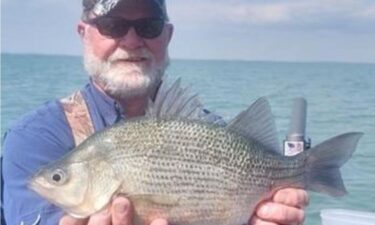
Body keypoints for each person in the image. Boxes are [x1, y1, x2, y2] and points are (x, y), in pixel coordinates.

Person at [1, 0, 308, 225]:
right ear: (84, 33)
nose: (132, 41)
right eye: (113, 25)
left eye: (148, 26)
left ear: (168, 36)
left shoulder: (210, 129)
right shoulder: (34, 140)